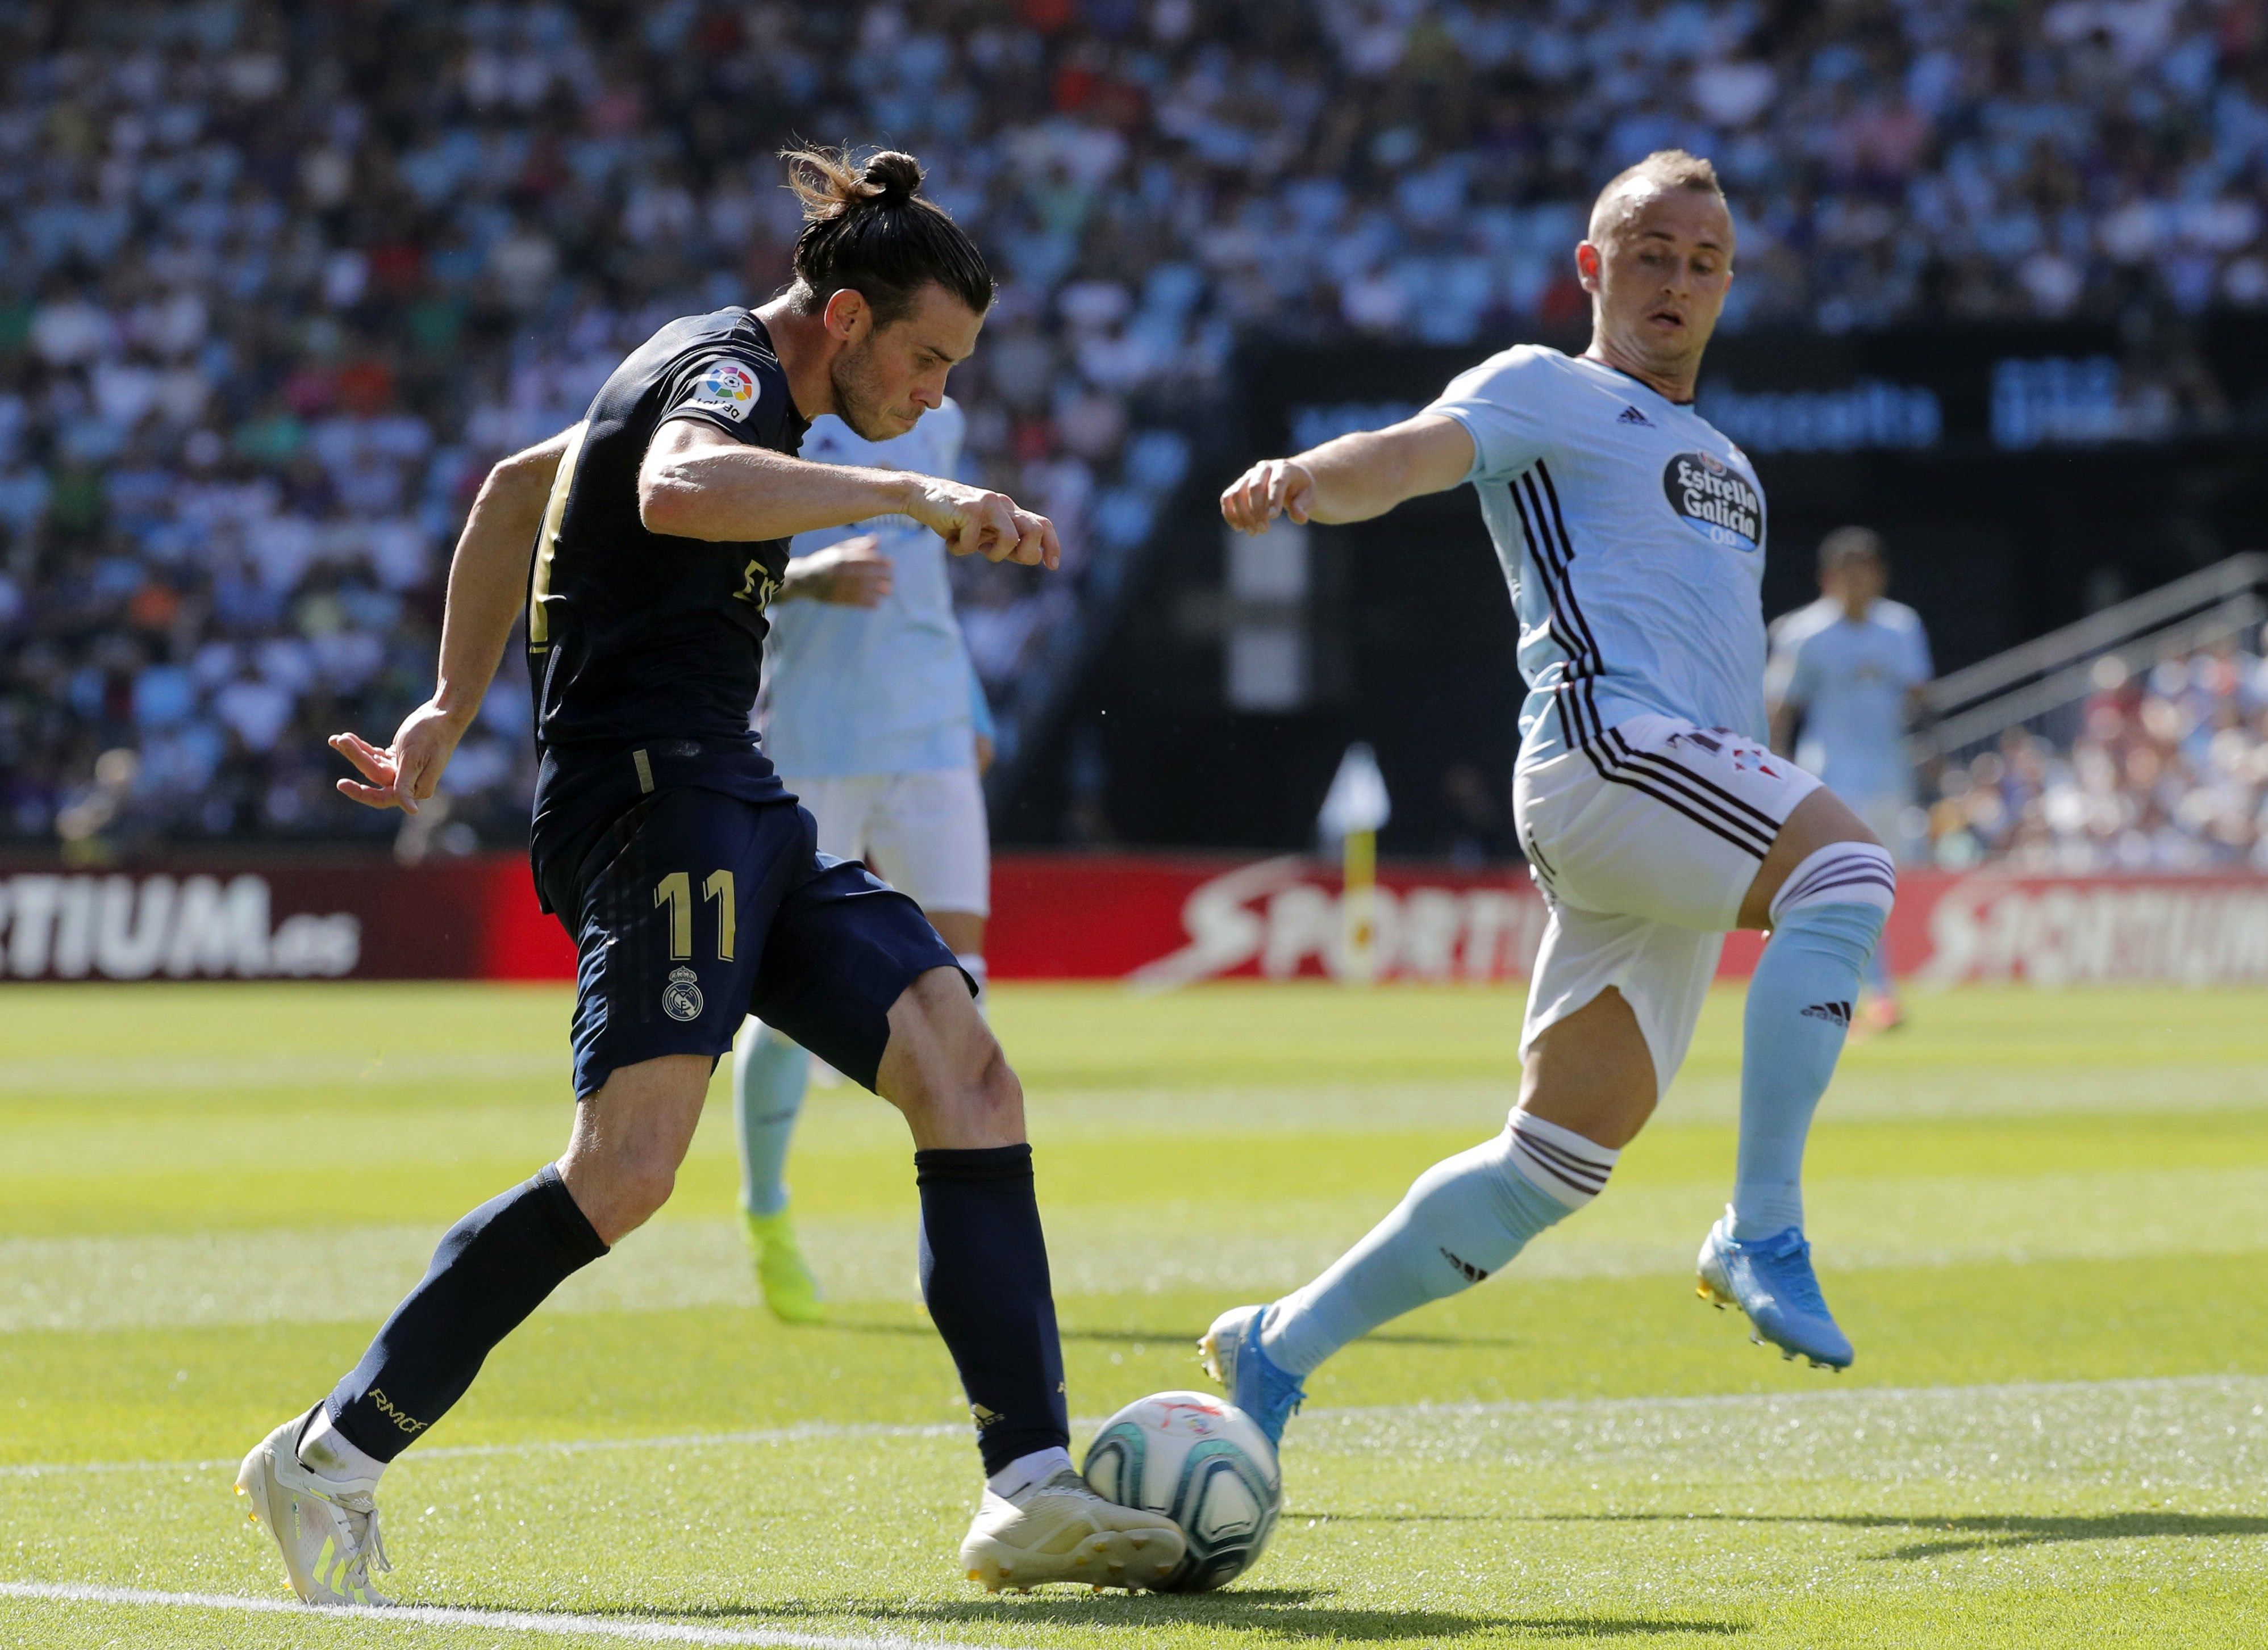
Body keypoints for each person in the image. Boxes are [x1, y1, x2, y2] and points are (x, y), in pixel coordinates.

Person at [234, 148, 1182, 1606]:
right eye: (927, 358)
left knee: (966, 1066)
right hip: (647, 796)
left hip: (736, 791)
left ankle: (1027, 1483)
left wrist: (447, 703)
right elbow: (678, 490)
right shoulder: (727, 371)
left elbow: (513, 487)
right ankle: (326, 1452)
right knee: (623, 1173)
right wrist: (916, 491)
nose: (939, 390)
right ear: (848, 317)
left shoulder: (706, 369)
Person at [1206, 150, 1896, 1449]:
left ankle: (1273, 1343)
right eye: (1649, 253)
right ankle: (1759, 1224)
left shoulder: (1731, 466)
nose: (1674, 282)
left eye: (1702, 263)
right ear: (1592, 266)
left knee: (1551, 1162)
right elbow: (1408, 454)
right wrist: (1308, 475)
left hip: (1683, 801)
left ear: (1728, 285)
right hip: (1604, 753)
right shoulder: (1544, 387)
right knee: (1848, 871)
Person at [732, 397, 998, 1323]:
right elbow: (697, 558)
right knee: (789, 995)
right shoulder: (781, 419)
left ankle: (970, 1252)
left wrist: (972, 703)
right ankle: (766, 1208)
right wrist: (810, 577)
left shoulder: (940, 420)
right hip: (811, 734)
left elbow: (926, 578)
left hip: (927, 725)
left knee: (963, 982)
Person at [1766, 527, 1931, 1032]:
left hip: (1889, 777)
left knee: (1876, 890)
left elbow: (1919, 698)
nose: (1858, 580)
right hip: (1830, 778)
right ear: (1828, 578)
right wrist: (1773, 774)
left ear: (1880, 575)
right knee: (1854, 886)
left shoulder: (1901, 627)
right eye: (1848, 570)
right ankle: (1878, 996)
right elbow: (1780, 708)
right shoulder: (1804, 633)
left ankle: (1828, 989)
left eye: (1867, 569)